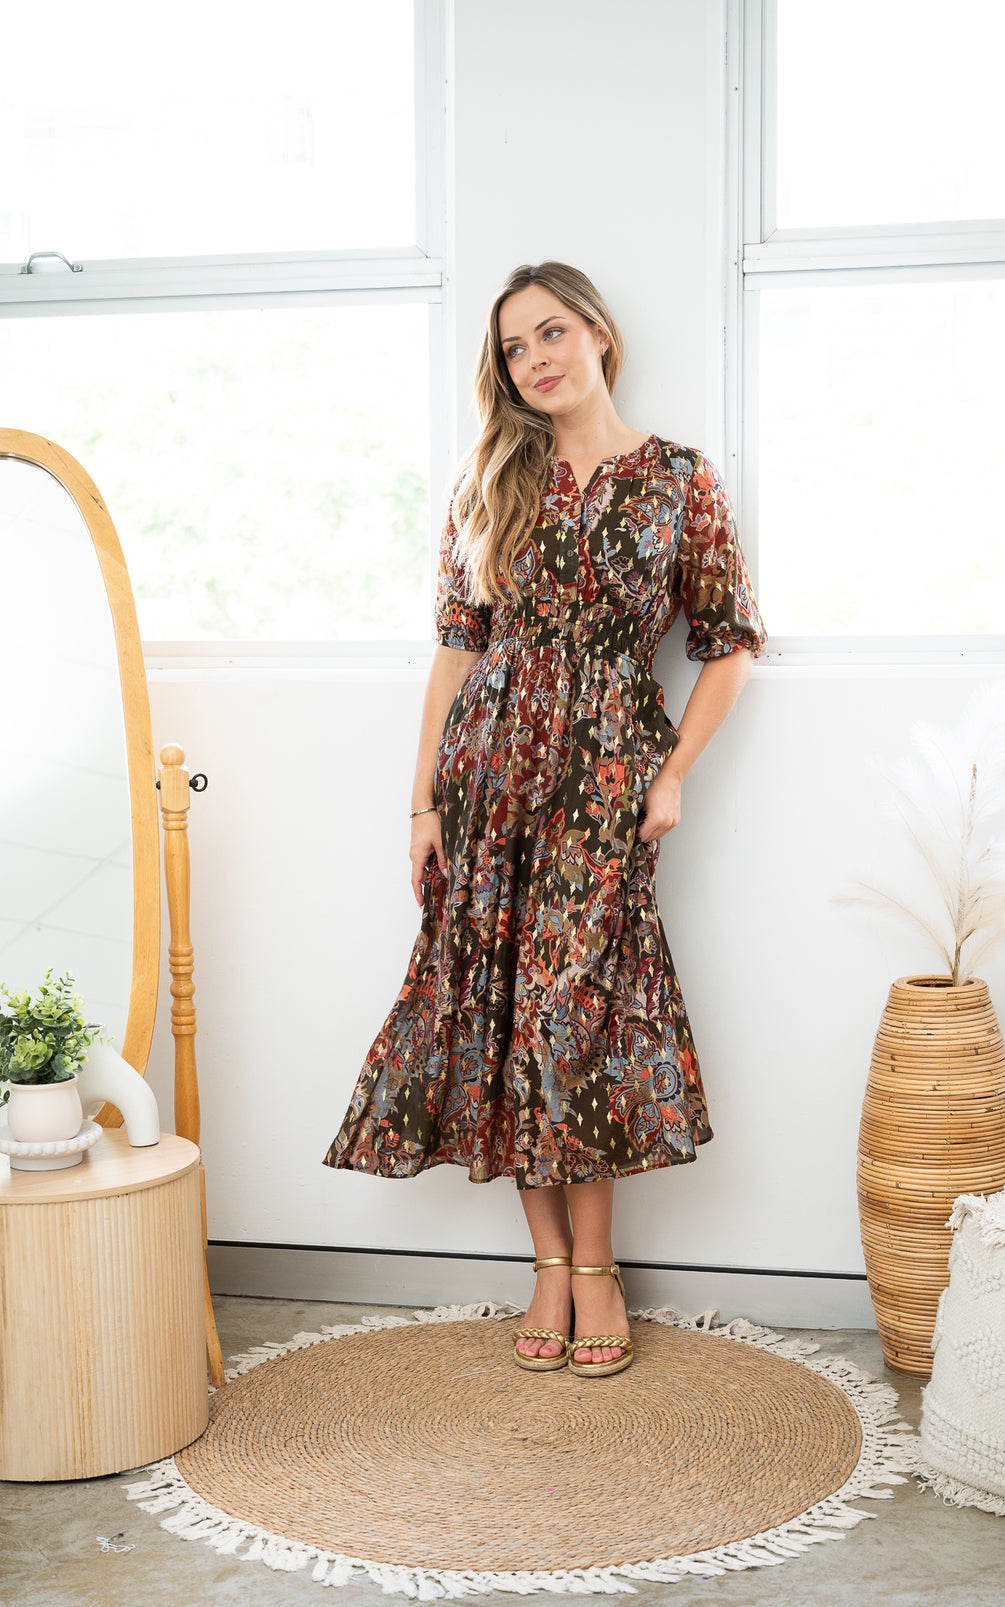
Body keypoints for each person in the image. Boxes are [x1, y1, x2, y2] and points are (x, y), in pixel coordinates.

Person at [323, 261, 767, 1379]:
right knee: (508, 1010)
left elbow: (730, 645)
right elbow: (457, 645)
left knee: (578, 1011)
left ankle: (601, 1263)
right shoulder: (488, 478)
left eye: (551, 332)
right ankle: (547, 1264)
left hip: (606, 776)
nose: (537, 359)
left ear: (600, 333)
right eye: (516, 349)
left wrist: (671, 775)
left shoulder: (678, 480)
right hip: (488, 773)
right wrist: (420, 797)